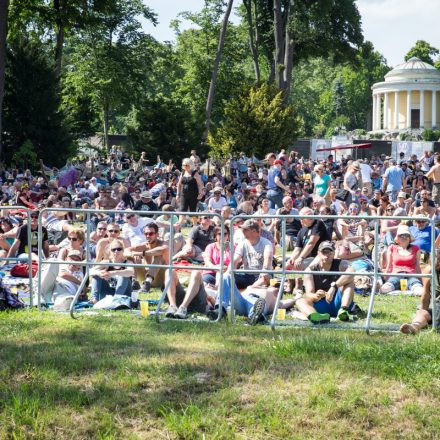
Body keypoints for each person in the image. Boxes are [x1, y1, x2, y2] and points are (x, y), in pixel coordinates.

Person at [294, 241, 355, 324]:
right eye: (324, 252)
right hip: (321, 304)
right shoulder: (310, 270)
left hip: (338, 302)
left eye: (330, 252)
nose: (327, 255)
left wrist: (334, 287)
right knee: (299, 301)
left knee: (350, 282)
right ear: (318, 253)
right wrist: (317, 296)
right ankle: (317, 317)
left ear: (334, 253)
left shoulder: (341, 264)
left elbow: (352, 273)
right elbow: (309, 294)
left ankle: (343, 310)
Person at [400, 256, 440, 334]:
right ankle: (414, 327)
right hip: (435, 305)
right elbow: (426, 293)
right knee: (422, 314)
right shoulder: (429, 270)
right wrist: (422, 310)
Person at [125, 222, 170, 292]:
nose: (148, 236)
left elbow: (162, 250)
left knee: (159, 256)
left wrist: (141, 253)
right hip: (144, 277)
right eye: (146, 234)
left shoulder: (163, 244)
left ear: (157, 234)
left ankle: (147, 282)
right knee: (133, 257)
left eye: (151, 233)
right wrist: (133, 254)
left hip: (161, 278)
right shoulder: (144, 245)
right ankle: (134, 281)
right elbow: (126, 250)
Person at [380, 225, 423, 295]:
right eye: (401, 235)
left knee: (420, 291)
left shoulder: (416, 248)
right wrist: (386, 280)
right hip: (396, 275)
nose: (404, 237)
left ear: (409, 238)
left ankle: (401, 291)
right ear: (398, 238)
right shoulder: (392, 248)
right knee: (384, 289)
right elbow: (389, 266)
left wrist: (421, 281)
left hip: (411, 275)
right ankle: (406, 291)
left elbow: (418, 267)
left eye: (406, 235)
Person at [89, 239, 134, 303]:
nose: (116, 251)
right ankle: (94, 299)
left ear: (123, 250)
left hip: (124, 294)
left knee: (124, 275)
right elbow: (90, 271)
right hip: (107, 293)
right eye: (113, 250)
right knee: (96, 275)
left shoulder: (128, 262)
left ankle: (116, 299)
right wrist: (99, 273)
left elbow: (131, 272)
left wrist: (114, 273)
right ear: (110, 251)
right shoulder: (106, 262)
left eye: (119, 249)